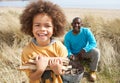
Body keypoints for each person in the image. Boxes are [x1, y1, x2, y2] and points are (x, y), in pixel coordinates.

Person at [20, 0, 68, 83]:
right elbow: (32, 77)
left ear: (54, 28)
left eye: (47, 26)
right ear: (31, 27)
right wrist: (40, 70)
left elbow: (62, 72)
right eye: (37, 25)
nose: (42, 29)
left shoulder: (59, 47)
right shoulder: (27, 51)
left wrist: (57, 70)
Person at [64, 17, 100, 82]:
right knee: (64, 57)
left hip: (84, 52)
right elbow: (67, 48)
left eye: (78, 23)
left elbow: (93, 43)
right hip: (74, 54)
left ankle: (92, 71)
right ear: (72, 24)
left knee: (96, 52)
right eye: (74, 23)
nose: (76, 25)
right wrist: (70, 55)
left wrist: (85, 49)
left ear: (81, 24)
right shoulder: (68, 35)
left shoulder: (86, 31)